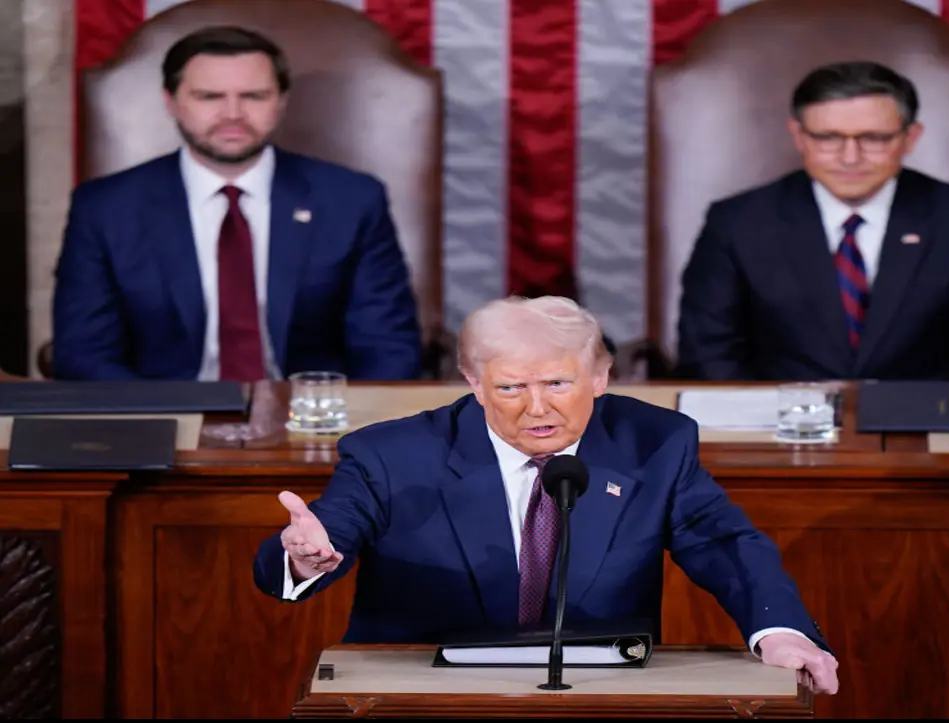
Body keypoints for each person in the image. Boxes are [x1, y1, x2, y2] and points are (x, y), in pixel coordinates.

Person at [253, 295, 840, 695]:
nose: (538, 408)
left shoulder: (654, 443)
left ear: (601, 377)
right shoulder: (391, 453)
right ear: (474, 384)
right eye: (510, 387)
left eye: (559, 383)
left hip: (599, 695)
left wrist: (779, 630)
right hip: (427, 696)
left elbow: (724, 542)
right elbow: (329, 529)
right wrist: (303, 556)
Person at [52, 25, 422, 382]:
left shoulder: (351, 200)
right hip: (164, 421)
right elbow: (84, 353)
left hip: (313, 422)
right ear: (171, 102)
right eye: (209, 97)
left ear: (281, 102)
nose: (232, 114)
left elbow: (388, 347)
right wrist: (162, 420)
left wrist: (340, 423)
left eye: (254, 96)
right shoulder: (104, 208)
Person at [675, 60, 949, 381]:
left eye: (873, 138)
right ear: (799, 136)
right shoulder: (737, 222)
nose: (850, 157)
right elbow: (709, 353)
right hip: (778, 431)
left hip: (927, 431)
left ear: (910, 138)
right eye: (828, 138)